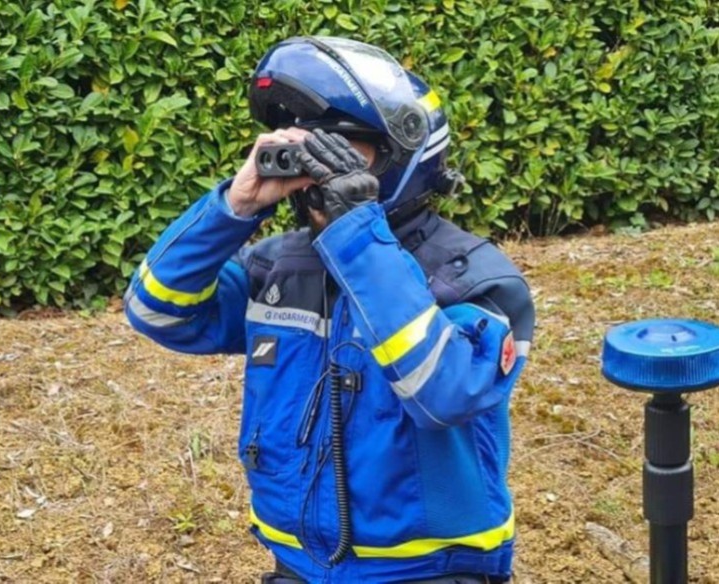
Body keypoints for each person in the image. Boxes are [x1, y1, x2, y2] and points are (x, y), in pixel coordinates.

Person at [124, 37, 535, 584]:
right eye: (305, 147)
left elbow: (444, 394)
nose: (317, 168)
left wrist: (356, 233)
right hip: (297, 565)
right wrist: (235, 207)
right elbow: (156, 309)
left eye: (338, 151)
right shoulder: (278, 267)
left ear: (398, 155)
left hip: (428, 571)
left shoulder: (474, 278)